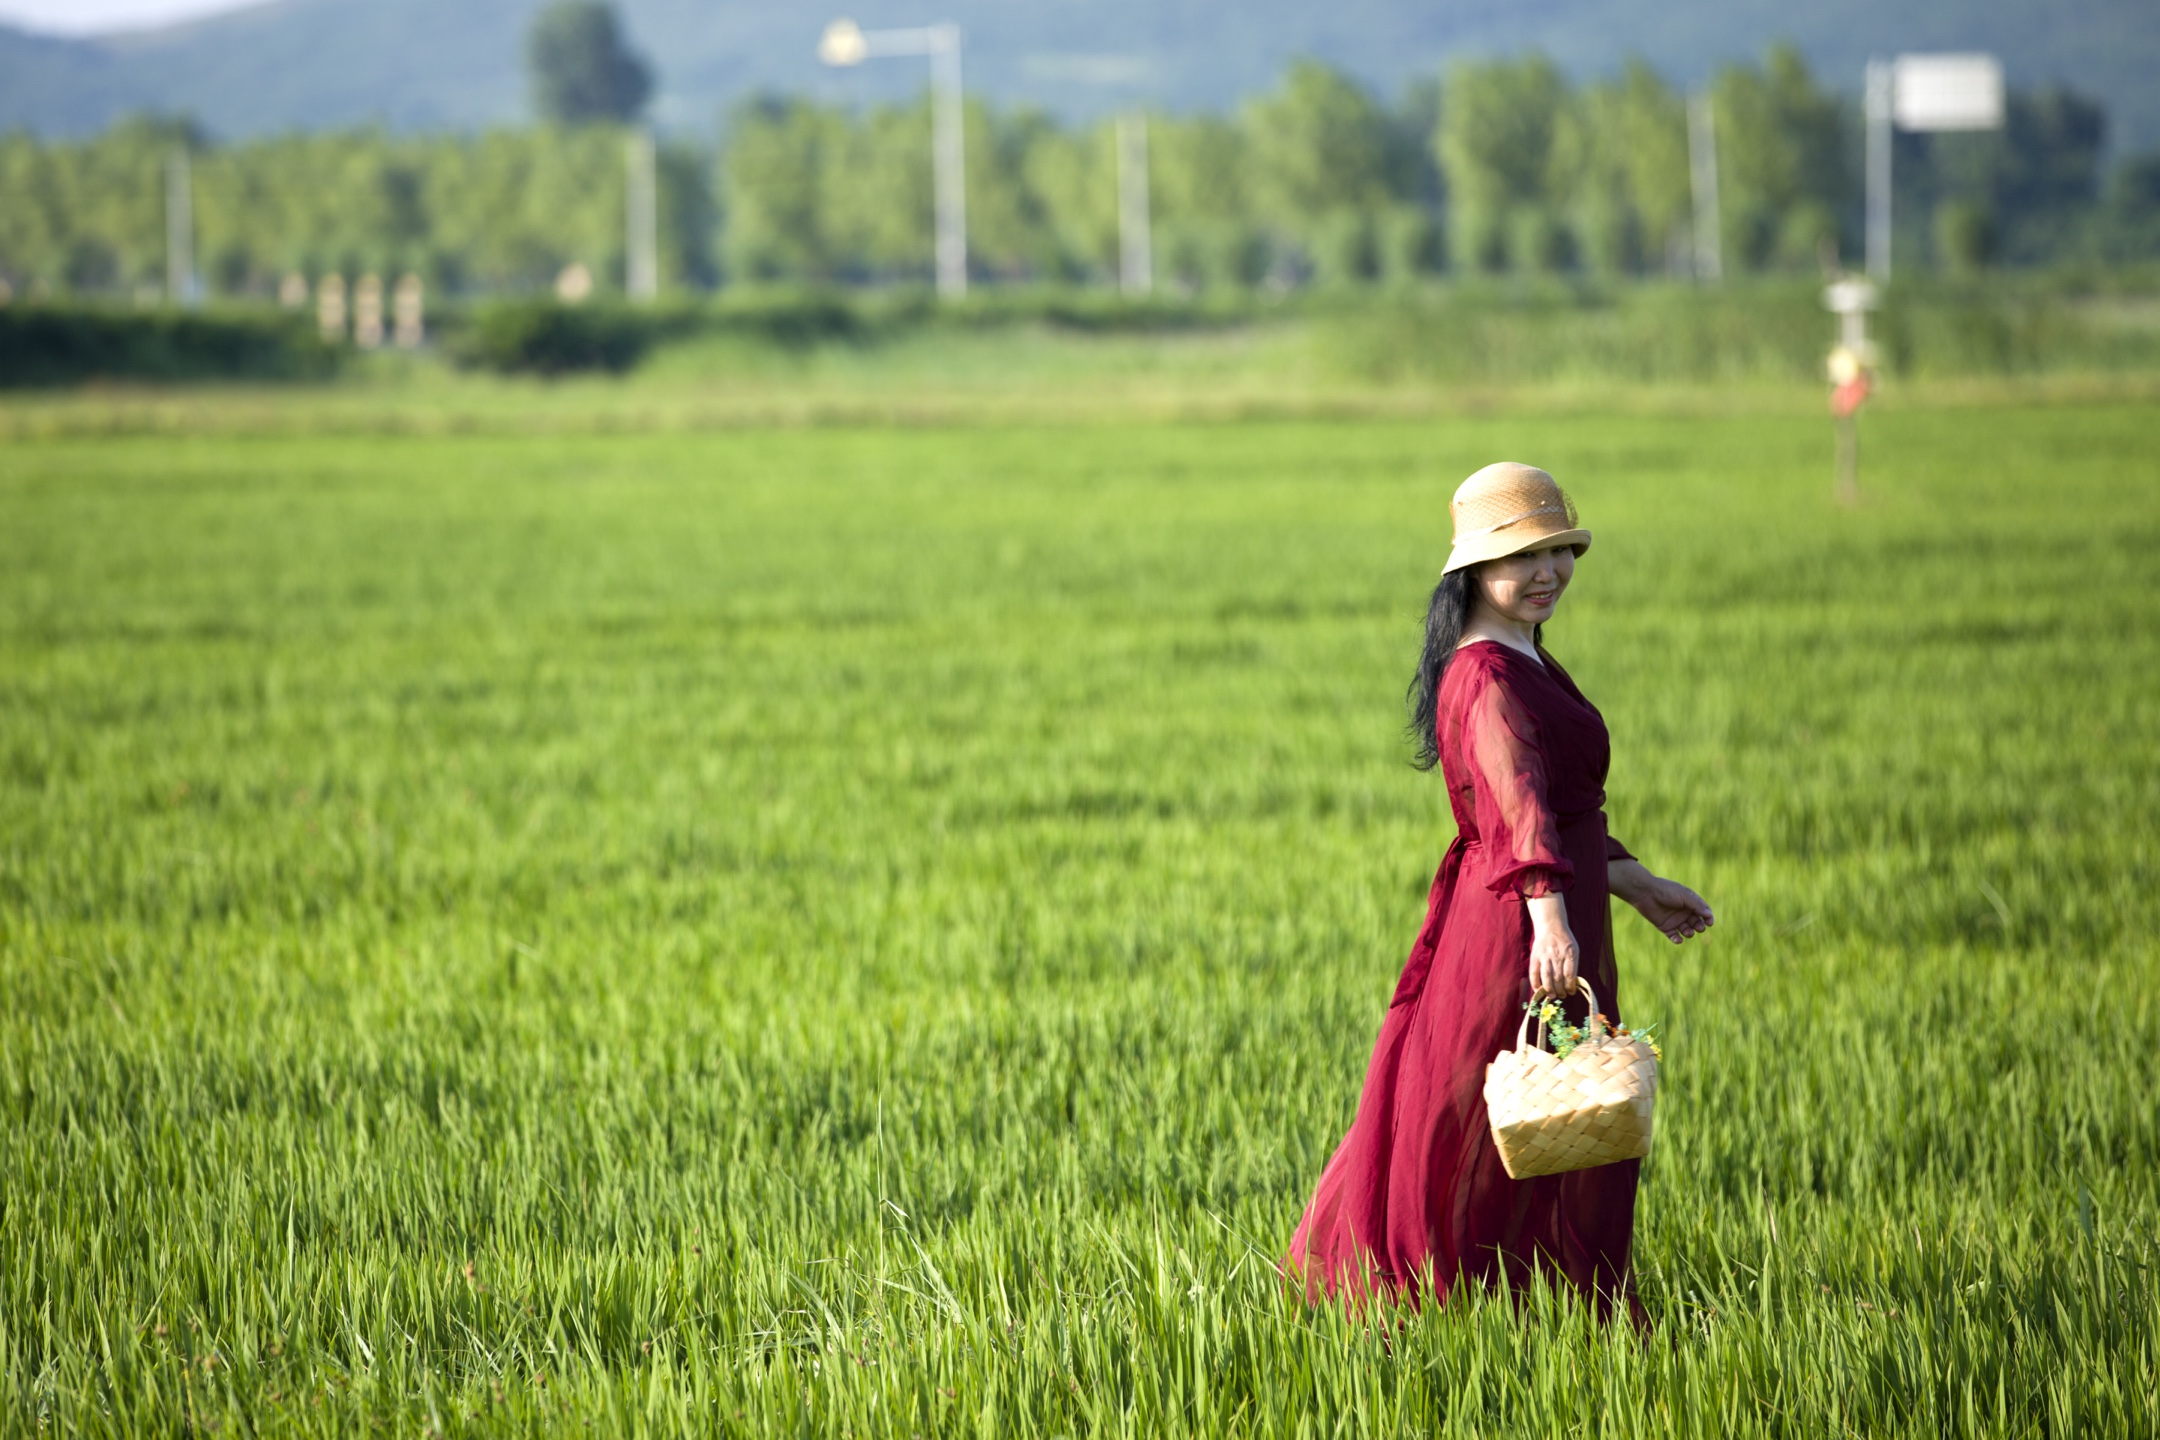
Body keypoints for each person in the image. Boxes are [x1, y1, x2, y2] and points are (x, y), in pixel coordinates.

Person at [1285, 461, 1713, 1318]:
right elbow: (1517, 811)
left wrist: (1635, 885)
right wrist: (1552, 929)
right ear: (1475, 568)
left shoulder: (1527, 656)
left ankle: (1534, 1299)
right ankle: (1439, 1300)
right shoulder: (1485, 674)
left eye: (1561, 550)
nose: (1549, 570)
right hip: (1516, 928)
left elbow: (1563, 811)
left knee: (1559, 1116)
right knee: (1486, 1116)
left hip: (1555, 909)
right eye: (1526, 554)